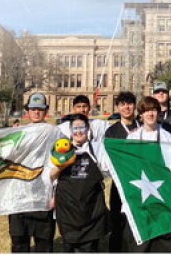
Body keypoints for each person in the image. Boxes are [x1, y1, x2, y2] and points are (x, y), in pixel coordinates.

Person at [123, 97, 171, 252]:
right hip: (140, 192)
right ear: (140, 115)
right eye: (146, 111)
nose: (150, 114)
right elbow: (127, 166)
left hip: (161, 190)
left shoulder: (166, 136)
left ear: (158, 112)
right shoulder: (132, 137)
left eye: (153, 110)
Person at [54, 114, 110, 252]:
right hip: (68, 211)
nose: (78, 132)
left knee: (90, 248)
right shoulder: (61, 149)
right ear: (70, 130)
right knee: (69, 247)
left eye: (82, 127)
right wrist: (60, 165)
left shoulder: (97, 149)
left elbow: (109, 168)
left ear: (88, 128)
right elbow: (50, 177)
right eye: (75, 128)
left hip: (92, 211)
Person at [8, 92, 56, 252]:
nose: (36, 112)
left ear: (46, 111)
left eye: (40, 109)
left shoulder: (54, 133)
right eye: (33, 109)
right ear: (27, 111)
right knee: (19, 243)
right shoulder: (17, 134)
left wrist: (55, 194)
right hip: (19, 199)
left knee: (44, 245)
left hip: (43, 197)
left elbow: (59, 164)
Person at [104, 91, 139, 252]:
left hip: (141, 183)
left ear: (135, 105)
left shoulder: (143, 126)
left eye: (130, 103)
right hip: (120, 185)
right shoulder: (112, 132)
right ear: (117, 107)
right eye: (123, 104)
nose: (127, 107)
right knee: (119, 223)